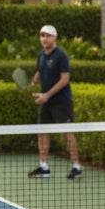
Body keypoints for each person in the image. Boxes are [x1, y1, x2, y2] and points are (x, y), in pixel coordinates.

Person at [28, 24, 82, 179]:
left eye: (47, 36)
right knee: (42, 132)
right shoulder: (41, 55)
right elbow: (40, 70)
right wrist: (33, 81)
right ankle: (44, 167)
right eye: (42, 36)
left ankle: (76, 166)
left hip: (62, 101)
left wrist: (47, 95)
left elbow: (65, 80)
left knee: (67, 133)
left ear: (54, 38)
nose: (44, 39)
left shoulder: (61, 55)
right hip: (47, 102)